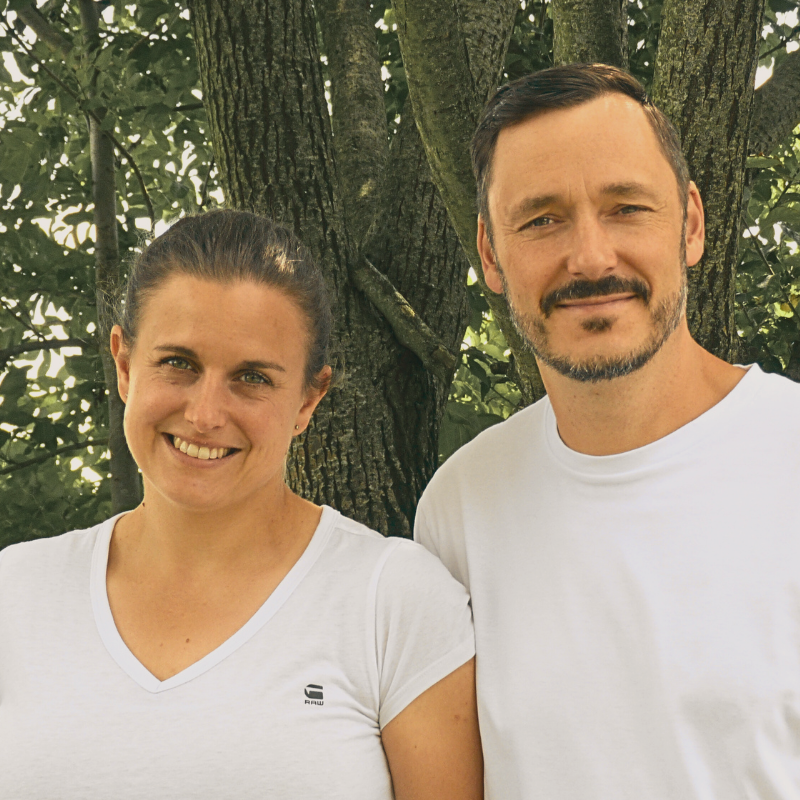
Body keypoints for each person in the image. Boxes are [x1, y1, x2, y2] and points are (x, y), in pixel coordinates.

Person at [0, 210, 482, 799]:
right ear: (125, 365)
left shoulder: (394, 600)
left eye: (251, 377)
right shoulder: (16, 594)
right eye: (178, 363)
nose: (205, 414)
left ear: (308, 400)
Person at [415, 64, 800, 799]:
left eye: (626, 207)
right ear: (491, 255)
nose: (590, 257)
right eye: (541, 219)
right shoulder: (460, 508)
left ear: (690, 224)